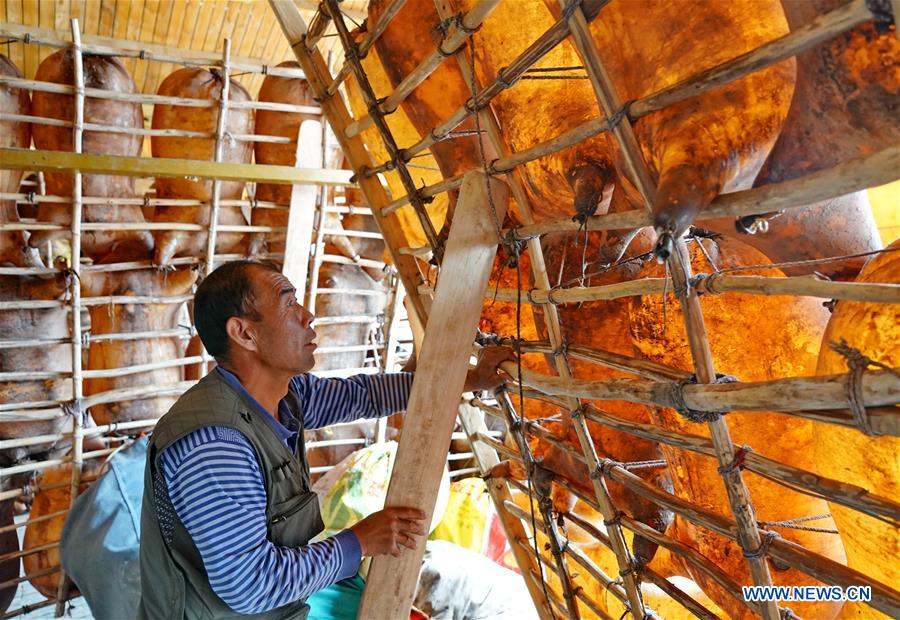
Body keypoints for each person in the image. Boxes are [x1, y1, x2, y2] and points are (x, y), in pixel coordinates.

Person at [138, 260, 514, 619]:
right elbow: (249, 584)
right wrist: (359, 542)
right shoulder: (216, 444)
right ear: (244, 333)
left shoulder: (285, 396)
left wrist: (469, 379)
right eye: (288, 304)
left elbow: (364, 395)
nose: (307, 316)